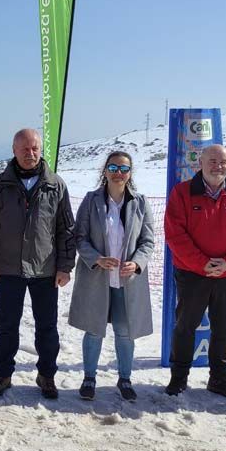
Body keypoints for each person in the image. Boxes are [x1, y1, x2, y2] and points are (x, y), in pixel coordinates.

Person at [0, 129, 74, 399]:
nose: (30, 154)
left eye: (34, 149)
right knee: (7, 326)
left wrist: (65, 266)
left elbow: (66, 230)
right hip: (7, 269)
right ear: (14, 150)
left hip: (46, 270)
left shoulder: (55, 185)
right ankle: (3, 374)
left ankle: (47, 375)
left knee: (47, 327)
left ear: (40, 150)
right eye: (24, 149)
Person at [163, 144, 226, 399]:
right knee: (185, 326)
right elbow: (175, 234)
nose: (218, 166)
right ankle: (178, 378)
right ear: (200, 164)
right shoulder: (182, 193)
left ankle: (219, 379)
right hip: (192, 274)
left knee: (224, 327)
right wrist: (201, 263)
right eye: (213, 161)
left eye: (223, 162)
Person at [68, 151, 155, 402]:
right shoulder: (91, 200)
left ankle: (125, 378)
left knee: (124, 332)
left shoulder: (140, 202)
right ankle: (89, 378)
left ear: (130, 173)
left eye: (124, 169)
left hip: (127, 281)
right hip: (98, 279)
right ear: (105, 171)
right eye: (114, 168)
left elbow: (148, 240)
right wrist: (96, 258)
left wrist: (136, 263)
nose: (119, 173)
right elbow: (79, 237)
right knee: (94, 330)